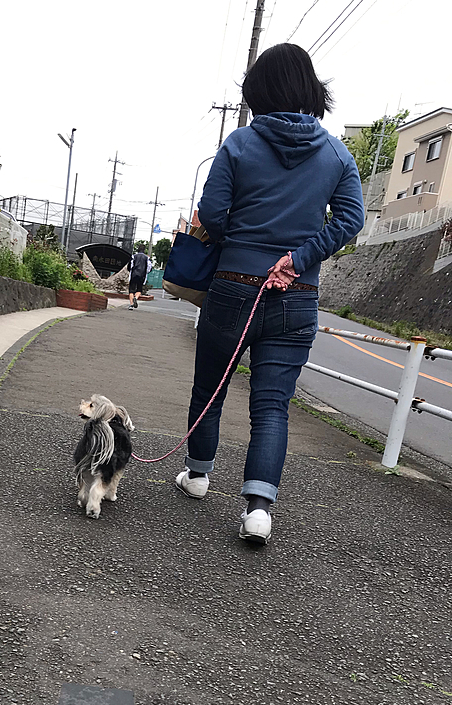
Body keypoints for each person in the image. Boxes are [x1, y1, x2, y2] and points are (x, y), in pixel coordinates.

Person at [174, 43, 364, 544]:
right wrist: (298, 259)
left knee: (209, 387)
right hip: (296, 295)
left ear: (257, 91)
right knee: (272, 405)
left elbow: (212, 214)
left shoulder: (238, 145)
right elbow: (351, 219)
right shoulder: (337, 155)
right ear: (310, 89)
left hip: (233, 286)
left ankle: (197, 476)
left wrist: (243, 242)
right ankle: (258, 509)